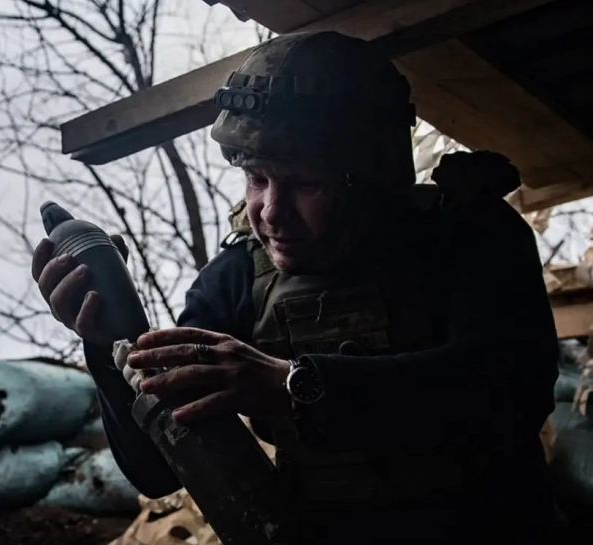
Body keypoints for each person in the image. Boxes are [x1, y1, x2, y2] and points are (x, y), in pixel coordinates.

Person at [31, 31, 560, 543]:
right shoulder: (237, 277)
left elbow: (511, 392)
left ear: (376, 178)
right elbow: (159, 471)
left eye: (306, 183)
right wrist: (106, 346)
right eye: (256, 178)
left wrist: (294, 386)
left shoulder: (469, 235)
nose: (270, 212)